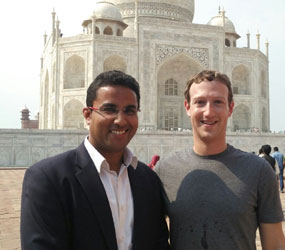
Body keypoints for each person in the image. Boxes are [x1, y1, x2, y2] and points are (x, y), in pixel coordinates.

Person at [21, 70, 170, 250]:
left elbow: (158, 243)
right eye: (109, 109)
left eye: (129, 111)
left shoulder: (147, 179)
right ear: (87, 115)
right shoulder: (49, 178)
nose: (121, 120)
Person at [156, 70, 285, 250]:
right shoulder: (165, 170)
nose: (208, 112)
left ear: (230, 108)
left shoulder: (258, 170)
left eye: (217, 102)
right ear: (187, 107)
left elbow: (275, 245)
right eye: (200, 102)